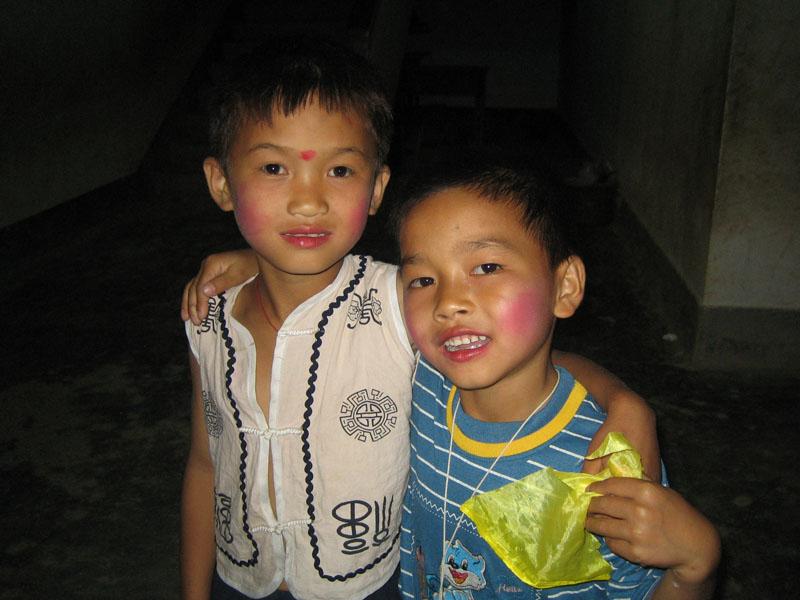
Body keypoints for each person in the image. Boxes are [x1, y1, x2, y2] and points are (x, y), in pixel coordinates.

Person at [181, 36, 660, 600]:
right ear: (221, 183)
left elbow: (525, 346)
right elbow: (205, 464)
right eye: (272, 167)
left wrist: (626, 403)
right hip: (236, 579)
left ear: (377, 187)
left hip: (369, 585)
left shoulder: (404, 297)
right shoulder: (207, 315)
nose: (308, 201)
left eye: (340, 170)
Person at [390, 164, 720, 598]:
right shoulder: (421, 385)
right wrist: (626, 398)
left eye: (487, 267)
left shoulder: (604, 461)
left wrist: (693, 568)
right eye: (423, 280)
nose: (448, 302)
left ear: (564, 287)